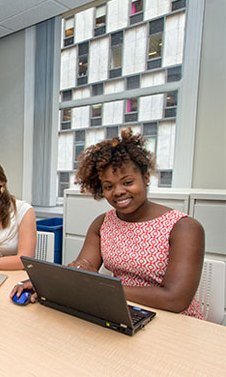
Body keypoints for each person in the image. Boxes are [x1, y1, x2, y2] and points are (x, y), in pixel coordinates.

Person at [11, 129, 205, 319]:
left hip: (175, 323)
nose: (118, 192)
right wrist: (46, 283)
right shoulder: (102, 223)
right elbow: (83, 270)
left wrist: (102, 285)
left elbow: (175, 299)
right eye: (109, 186)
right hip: (121, 311)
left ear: (145, 178)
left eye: (127, 182)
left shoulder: (183, 228)